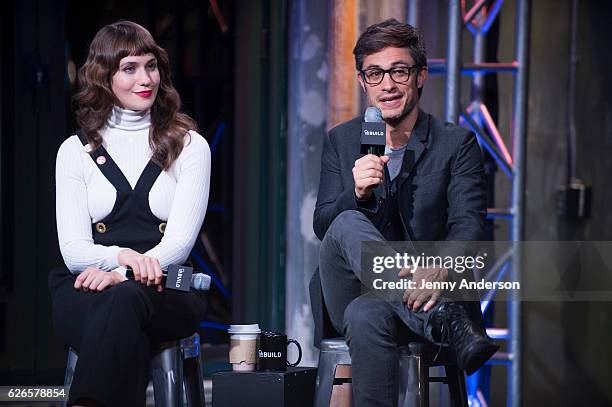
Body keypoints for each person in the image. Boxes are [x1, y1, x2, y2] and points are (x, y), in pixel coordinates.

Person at [312, 19, 498, 406]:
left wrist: (440, 270)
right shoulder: (342, 140)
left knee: (367, 316)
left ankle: (434, 311)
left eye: (399, 71)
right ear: (363, 82)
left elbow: (469, 223)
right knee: (347, 220)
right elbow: (323, 226)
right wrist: (357, 193)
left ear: (420, 76)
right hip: (350, 285)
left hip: (424, 286)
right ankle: (443, 318)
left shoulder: (455, 143)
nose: (387, 85)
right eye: (375, 74)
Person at [48, 21, 211, 407]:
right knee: (119, 315)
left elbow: (179, 244)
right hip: (85, 286)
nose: (146, 79)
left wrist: (120, 274)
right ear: (104, 77)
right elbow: (73, 252)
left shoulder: (190, 146)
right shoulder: (74, 151)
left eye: (151, 66)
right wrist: (117, 257)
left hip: (168, 287)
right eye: (130, 68)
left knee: (122, 301)